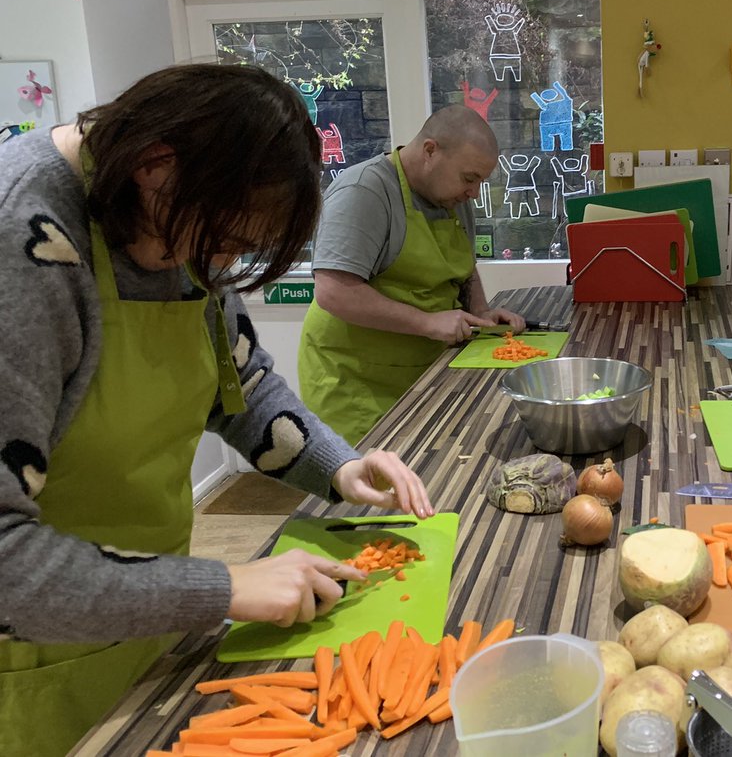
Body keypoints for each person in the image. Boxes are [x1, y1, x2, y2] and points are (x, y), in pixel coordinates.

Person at [0, 64, 434, 757]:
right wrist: (220, 586)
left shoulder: (169, 219)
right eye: (224, 239)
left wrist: (338, 468)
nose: (220, 263)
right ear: (155, 165)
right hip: (32, 652)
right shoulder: (22, 244)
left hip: (147, 610)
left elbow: (240, 387)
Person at [298, 105, 525, 444]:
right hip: (357, 384)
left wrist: (481, 311)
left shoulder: (452, 199)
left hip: (423, 373)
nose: (474, 192)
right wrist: (428, 322)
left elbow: (464, 267)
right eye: (469, 178)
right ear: (430, 151)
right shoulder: (364, 191)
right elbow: (334, 291)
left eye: (481, 181)